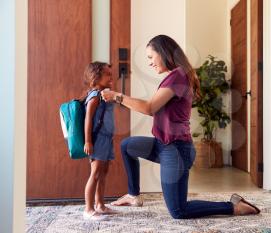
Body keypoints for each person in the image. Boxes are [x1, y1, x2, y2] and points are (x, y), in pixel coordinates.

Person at [102, 35, 260, 219]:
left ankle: (233, 207)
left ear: (163, 53)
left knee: (178, 211)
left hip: (176, 151)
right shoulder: (174, 76)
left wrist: (116, 96)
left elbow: (149, 107)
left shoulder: (178, 76)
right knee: (127, 145)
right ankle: (133, 195)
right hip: (163, 145)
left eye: (151, 57)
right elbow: (153, 108)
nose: (150, 63)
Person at [83, 62, 118, 221]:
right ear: (96, 77)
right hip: (97, 140)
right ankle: (88, 209)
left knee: (104, 173)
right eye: (107, 74)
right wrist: (88, 141)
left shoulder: (104, 94)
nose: (111, 77)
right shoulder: (95, 96)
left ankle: (100, 205)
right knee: (95, 173)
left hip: (106, 139)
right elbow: (88, 119)